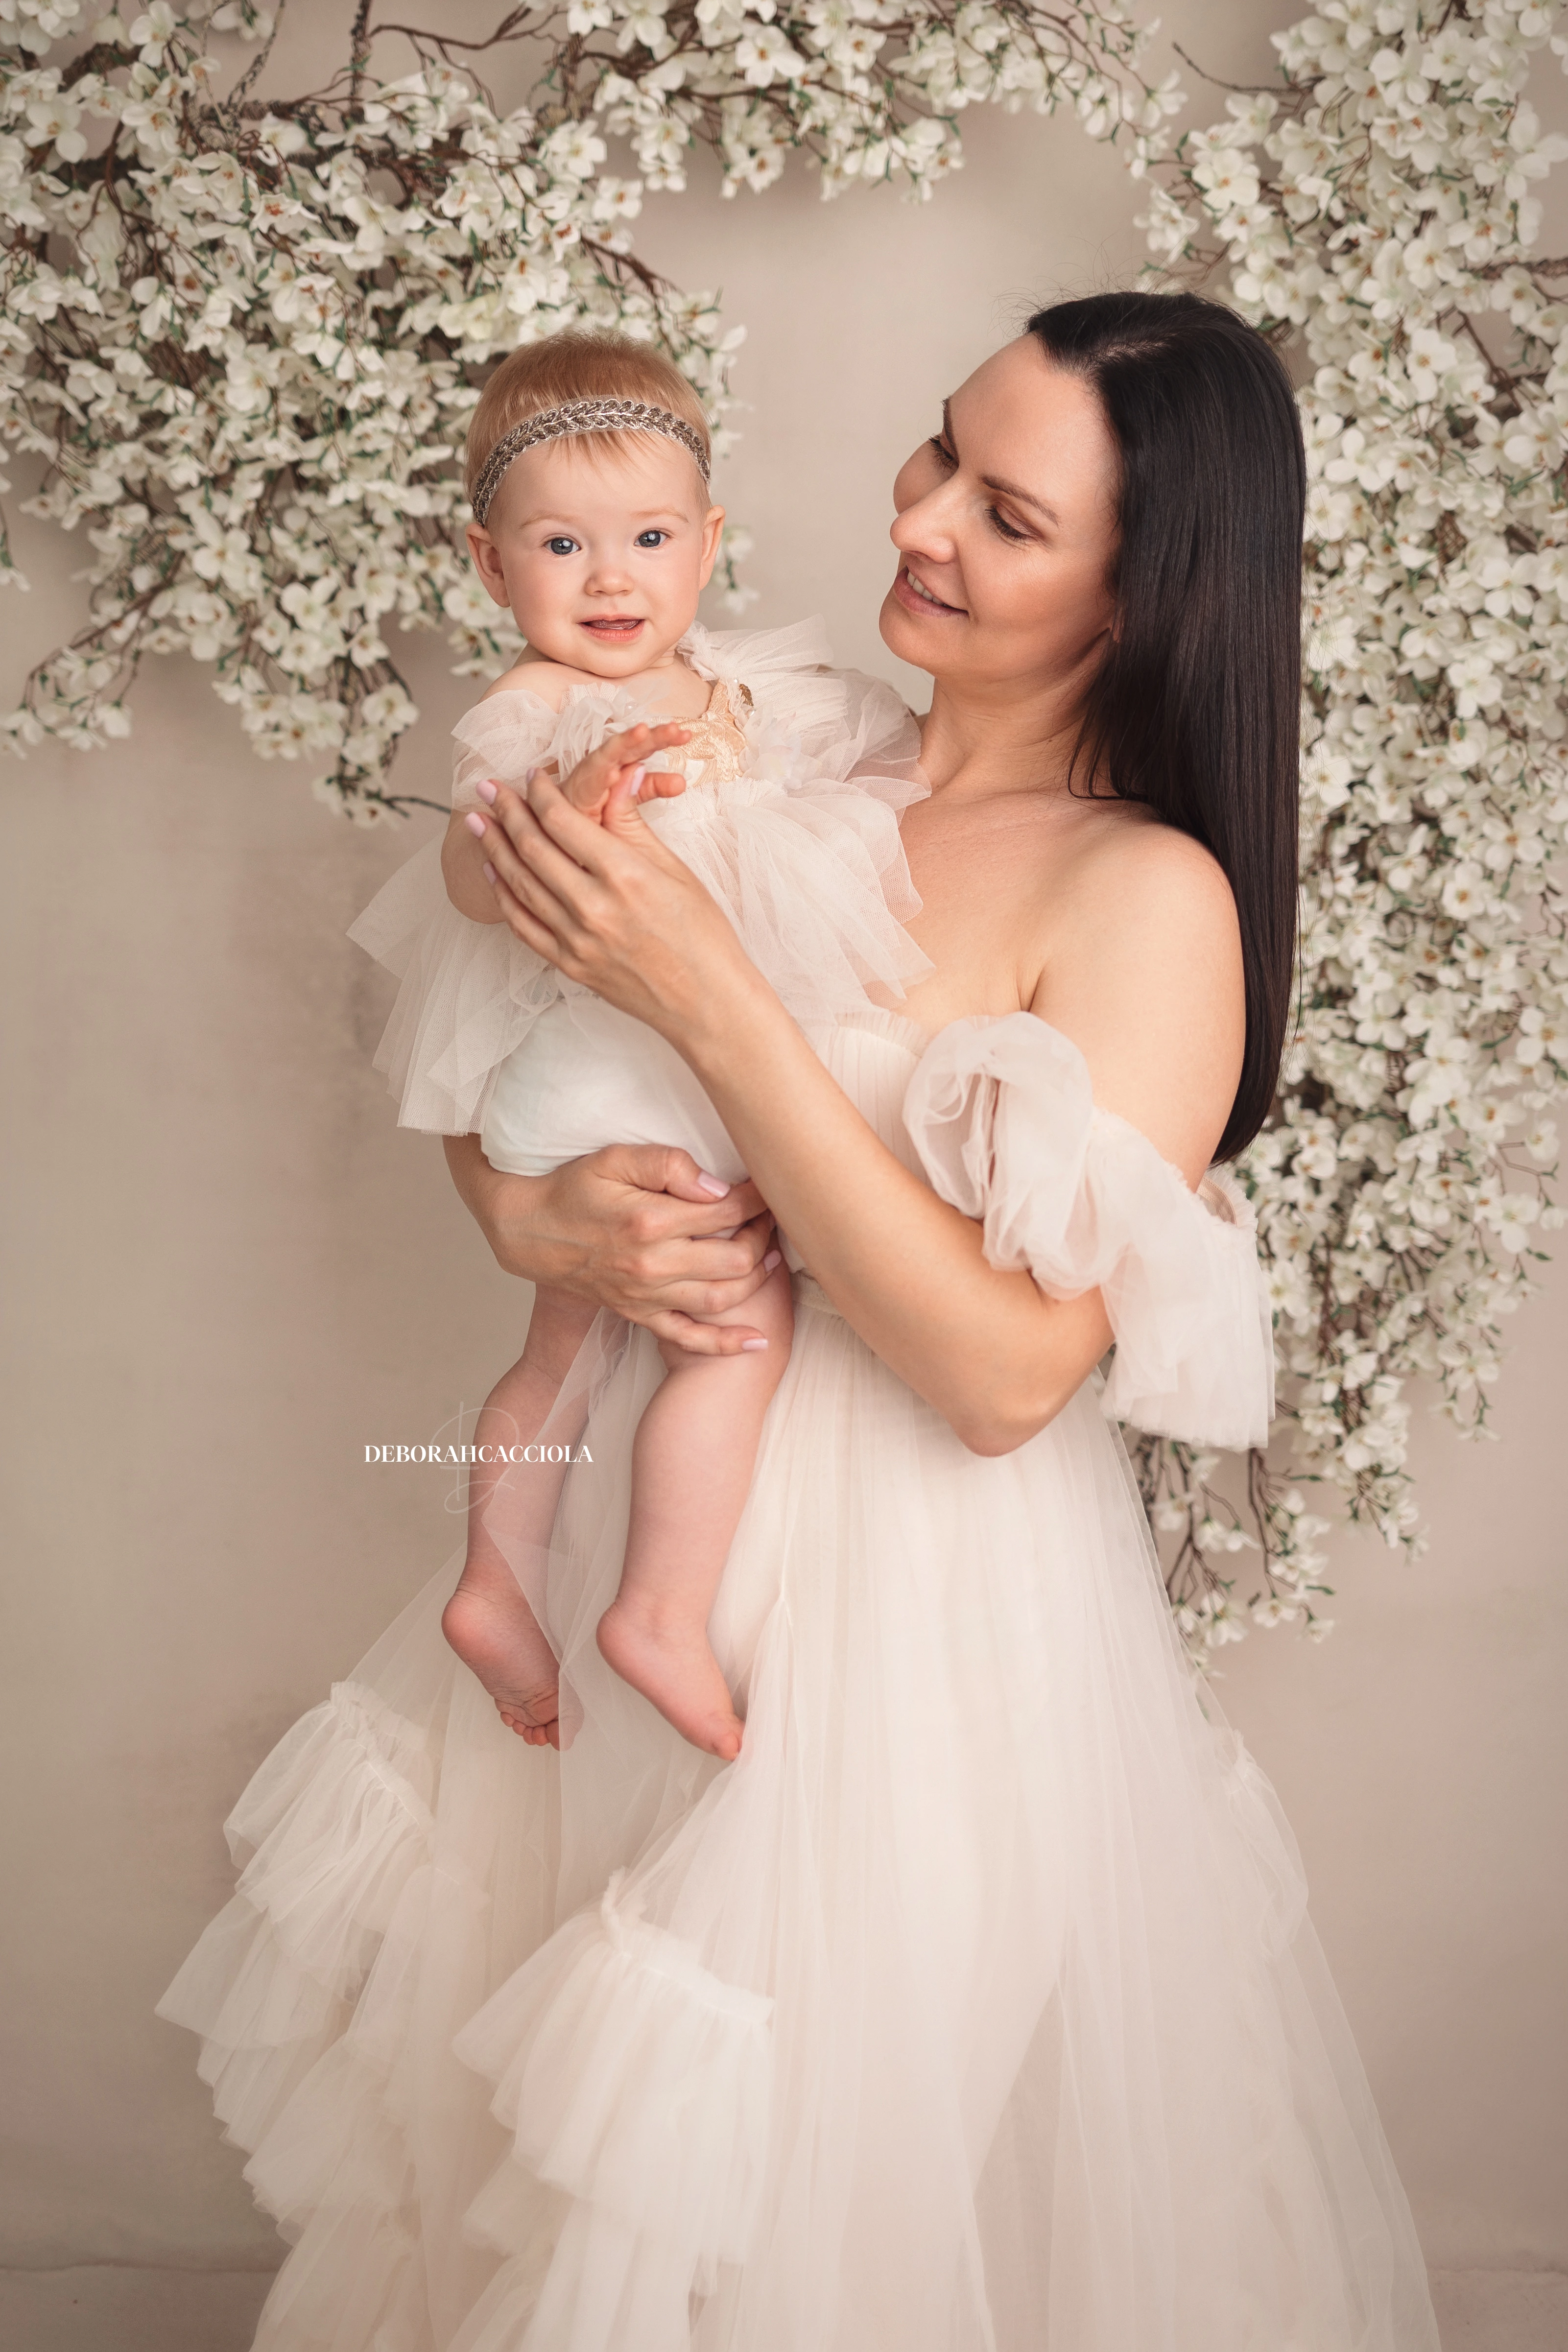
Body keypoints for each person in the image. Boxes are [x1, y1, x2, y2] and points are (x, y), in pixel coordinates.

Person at [159, 292, 1442, 2351]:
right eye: (938, 449)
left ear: (1140, 595)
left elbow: (1009, 1376)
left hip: (901, 1637)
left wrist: (715, 1001)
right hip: (619, 1561)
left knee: (777, 2212)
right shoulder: (793, 736)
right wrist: (532, 1215)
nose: (917, 515)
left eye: (1004, 515)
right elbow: (515, 1044)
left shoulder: (1139, 895)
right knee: (538, 2171)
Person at [348, 331, 928, 1763]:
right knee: (743, 1327)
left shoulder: (738, 687)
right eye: (561, 544)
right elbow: (472, 882)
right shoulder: (540, 711)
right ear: (491, 567)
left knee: (562, 1347)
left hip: (615, 1083)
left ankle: (496, 1583)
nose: (611, 579)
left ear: (709, 541)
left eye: (650, 537)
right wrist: (562, 809)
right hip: (632, 1075)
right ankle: (657, 1609)